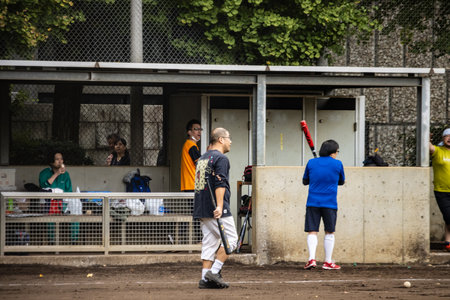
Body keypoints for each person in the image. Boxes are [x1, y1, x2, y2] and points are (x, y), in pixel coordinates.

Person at [194, 128, 238, 289]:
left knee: (210, 242)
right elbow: (220, 183)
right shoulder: (221, 158)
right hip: (215, 208)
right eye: (228, 138)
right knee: (231, 241)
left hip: (201, 207)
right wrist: (220, 206)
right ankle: (215, 271)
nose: (230, 141)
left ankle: (205, 279)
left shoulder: (203, 158)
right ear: (220, 139)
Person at [302, 139, 345, 270]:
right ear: (332, 152)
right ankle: (327, 262)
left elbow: (305, 181)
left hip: (313, 202)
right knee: (329, 232)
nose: (337, 154)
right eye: (337, 151)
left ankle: (311, 259)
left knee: (312, 231)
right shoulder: (338, 164)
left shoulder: (311, 162)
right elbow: (341, 181)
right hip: (330, 203)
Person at [39, 151, 78, 244]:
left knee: (75, 211)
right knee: (51, 214)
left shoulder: (66, 174)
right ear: (52, 162)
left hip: (63, 202)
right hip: (49, 203)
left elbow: (69, 191)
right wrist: (57, 173)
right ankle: (51, 241)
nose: (60, 161)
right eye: (57, 159)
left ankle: (74, 240)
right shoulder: (44, 173)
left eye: (61, 159)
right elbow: (43, 186)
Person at [430, 128, 450, 251]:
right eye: (447, 136)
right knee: (449, 217)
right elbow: (429, 147)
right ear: (443, 138)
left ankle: (448, 243)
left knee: (448, 221)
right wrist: (427, 138)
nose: (449, 138)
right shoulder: (438, 151)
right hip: (442, 191)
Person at [181, 119, 202, 192]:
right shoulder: (191, 146)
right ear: (189, 132)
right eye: (196, 129)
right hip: (192, 184)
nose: (199, 132)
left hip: (189, 184)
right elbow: (200, 164)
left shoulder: (188, 145)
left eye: (200, 129)